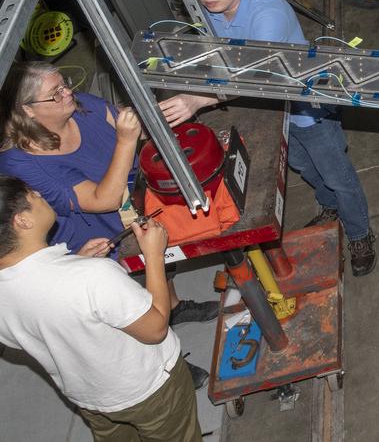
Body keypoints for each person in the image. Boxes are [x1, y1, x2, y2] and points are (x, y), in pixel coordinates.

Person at [158, 0, 377, 276]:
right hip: (271, 109)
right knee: (303, 166)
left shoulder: (267, 12)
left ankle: (360, 234)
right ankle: (331, 207)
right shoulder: (211, 10)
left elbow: (252, 77)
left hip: (306, 106)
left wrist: (197, 99)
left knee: (337, 175)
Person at [0, 63, 220, 331]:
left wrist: (186, 102)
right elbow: (102, 200)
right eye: (55, 93)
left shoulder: (80, 106)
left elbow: (136, 128)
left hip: (136, 203)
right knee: (135, 306)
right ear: (27, 109)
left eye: (64, 83)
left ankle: (173, 308)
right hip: (96, 240)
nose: (67, 92)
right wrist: (126, 141)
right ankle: (160, 345)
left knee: (159, 265)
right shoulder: (21, 162)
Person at [0, 175, 202, 441]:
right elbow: (155, 328)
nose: (39, 193)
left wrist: (75, 262)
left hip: (91, 400)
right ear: (23, 221)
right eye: (32, 194)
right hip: (149, 389)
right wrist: (154, 255)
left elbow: (42, 315)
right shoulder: (92, 277)